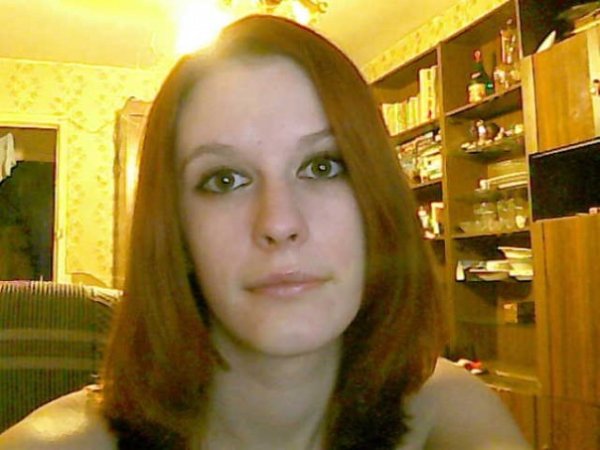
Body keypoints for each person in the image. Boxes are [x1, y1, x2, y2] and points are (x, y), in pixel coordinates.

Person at [0, 15, 530, 450]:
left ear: (377, 206)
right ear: (177, 233)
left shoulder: (450, 409)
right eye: (224, 179)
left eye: (322, 166)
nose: (279, 223)